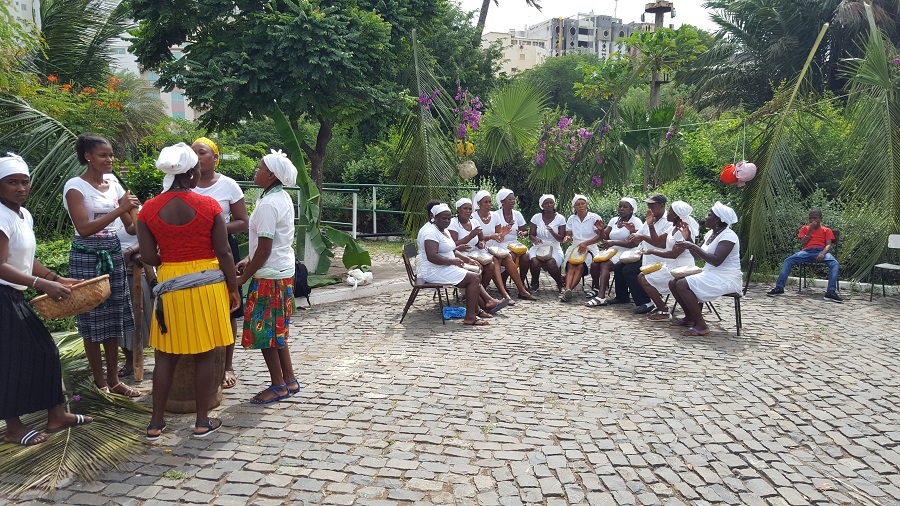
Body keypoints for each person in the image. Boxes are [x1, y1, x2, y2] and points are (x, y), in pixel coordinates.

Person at [137, 143, 239, 439]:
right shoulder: (209, 207)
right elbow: (224, 252)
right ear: (192, 172)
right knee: (206, 353)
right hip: (207, 284)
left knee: (165, 356)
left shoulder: (148, 210)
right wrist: (233, 288)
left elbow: (148, 257)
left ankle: (156, 423)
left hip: (170, 283)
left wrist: (169, 256)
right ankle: (202, 421)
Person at [0, 153, 93, 446]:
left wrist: (56, 279)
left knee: (46, 352)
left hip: (13, 295)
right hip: (2, 297)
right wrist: (41, 285)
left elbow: (26, 259)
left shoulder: (23, 215)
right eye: (12, 182)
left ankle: (56, 414)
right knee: (10, 361)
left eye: (24, 182)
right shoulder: (0, 217)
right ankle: (13, 427)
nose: (20, 188)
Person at [64, 134, 142, 397]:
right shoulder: (76, 187)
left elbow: (130, 225)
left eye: (111, 155)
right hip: (87, 256)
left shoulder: (114, 183)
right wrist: (120, 210)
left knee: (114, 319)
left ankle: (114, 380)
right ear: (88, 156)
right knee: (91, 320)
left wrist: (142, 216)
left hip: (113, 252)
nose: (109, 159)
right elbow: (83, 228)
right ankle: (100, 383)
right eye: (103, 155)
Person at [237, 151, 300, 404]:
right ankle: (290, 380)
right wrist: (248, 259)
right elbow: (265, 246)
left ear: (271, 174)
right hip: (280, 271)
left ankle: (278, 386)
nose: (256, 171)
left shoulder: (268, 204)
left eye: (260, 167)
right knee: (278, 332)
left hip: (269, 277)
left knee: (266, 335)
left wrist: (243, 278)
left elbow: (265, 248)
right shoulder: (280, 198)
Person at [192, 137, 249, 389]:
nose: (197, 157)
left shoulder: (228, 186)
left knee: (229, 306)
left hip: (223, 249)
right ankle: (195, 362)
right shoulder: (179, 184)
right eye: (193, 153)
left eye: (202, 153)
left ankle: (227, 364)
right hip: (190, 252)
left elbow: (242, 222)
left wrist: (214, 229)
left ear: (215, 158)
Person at [418, 203, 506, 326]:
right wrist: (451, 261)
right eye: (443, 218)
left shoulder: (444, 231)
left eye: (449, 218)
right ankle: (471, 317)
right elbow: (432, 256)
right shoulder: (430, 233)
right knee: (474, 278)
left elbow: (452, 250)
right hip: (433, 271)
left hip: (444, 267)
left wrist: (466, 259)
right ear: (435, 218)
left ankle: (477, 310)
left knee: (475, 275)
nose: (447, 221)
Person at [670, 202, 742, 335]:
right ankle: (690, 317)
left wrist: (692, 246)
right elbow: (698, 257)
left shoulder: (728, 236)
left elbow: (716, 261)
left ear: (717, 219)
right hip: (711, 273)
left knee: (681, 284)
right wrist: (689, 240)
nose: (706, 217)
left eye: (709, 214)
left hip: (726, 277)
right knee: (673, 282)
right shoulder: (710, 233)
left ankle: (702, 325)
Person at [638, 201, 699, 321]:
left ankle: (664, 311)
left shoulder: (682, 230)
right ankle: (660, 306)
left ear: (676, 215)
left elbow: (674, 254)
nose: (668, 213)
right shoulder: (672, 227)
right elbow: (657, 241)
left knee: (644, 279)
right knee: (641, 275)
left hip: (681, 267)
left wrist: (652, 252)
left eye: (670, 211)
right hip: (670, 265)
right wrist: (651, 225)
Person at [766, 209, 842, 302]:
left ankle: (830, 292)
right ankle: (779, 288)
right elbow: (804, 243)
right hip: (807, 251)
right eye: (810, 218)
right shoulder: (804, 229)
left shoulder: (826, 230)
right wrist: (809, 230)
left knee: (834, 263)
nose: (812, 220)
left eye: (815, 218)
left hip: (821, 251)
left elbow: (828, 245)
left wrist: (822, 253)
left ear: (820, 218)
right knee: (788, 261)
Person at [447, 197, 513, 304]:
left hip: (475, 252)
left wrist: (481, 243)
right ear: (458, 209)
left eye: (470, 209)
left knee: (491, 265)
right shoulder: (453, 223)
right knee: (479, 266)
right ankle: (474, 295)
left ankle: (479, 292)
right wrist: (470, 236)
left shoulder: (474, 221)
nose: (468, 211)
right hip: (460, 253)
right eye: (465, 209)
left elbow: (480, 239)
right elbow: (452, 245)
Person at [472, 190, 534, 300]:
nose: (488, 205)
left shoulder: (495, 216)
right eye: (485, 202)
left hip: (493, 247)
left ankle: (521, 290)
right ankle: (504, 294)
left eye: (490, 202)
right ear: (478, 204)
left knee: (508, 257)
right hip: (479, 248)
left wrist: (502, 234)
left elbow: (498, 238)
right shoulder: (474, 218)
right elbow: (476, 240)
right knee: (497, 260)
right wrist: (492, 236)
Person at [586, 198, 642, 307]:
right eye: (620, 206)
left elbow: (634, 244)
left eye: (625, 207)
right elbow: (604, 238)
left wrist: (615, 241)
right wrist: (601, 230)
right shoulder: (614, 220)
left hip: (627, 251)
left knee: (605, 265)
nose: (621, 209)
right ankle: (597, 288)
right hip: (612, 250)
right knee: (594, 264)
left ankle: (601, 297)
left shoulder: (636, 222)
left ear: (632, 209)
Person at [560, 194, 603, 302]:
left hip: (590, 247)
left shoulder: (594, 218)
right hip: (575, 246)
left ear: (586, 204)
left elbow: (600, 237)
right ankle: (568, 290)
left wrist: (586, 243)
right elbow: (569, 234)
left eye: (582, 203)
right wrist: (567, 237)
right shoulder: (572, 218)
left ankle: (568, 290)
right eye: (578, 204)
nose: (581, 206)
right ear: (574, 207)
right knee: (570, 265)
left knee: (579, 266)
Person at [488, 188, 531, 289]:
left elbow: (526, 232)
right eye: (509, 199)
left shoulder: (517, 214)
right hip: (500, 243)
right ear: (502, 201)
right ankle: (502, 281)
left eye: (513, 199)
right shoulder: (495, 215)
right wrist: (507, 227)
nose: (513, 201)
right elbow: (494, 233)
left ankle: (520, 281)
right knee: (511, 256)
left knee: (526, 256)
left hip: (514, 243)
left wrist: (522, 233)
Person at [526, 194, 566, 295]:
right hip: (538, 246)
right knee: (534, 261)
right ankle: (534, 283)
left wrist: (552, 232)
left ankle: (560, 284)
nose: (549, 205)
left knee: (551, 263)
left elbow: (562, 239)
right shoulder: (536, 217)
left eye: (551, 202)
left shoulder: (560, 218)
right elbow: (531, 235)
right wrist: (535, 239)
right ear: (542, 206)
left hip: (554, 246)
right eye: (546, 203)